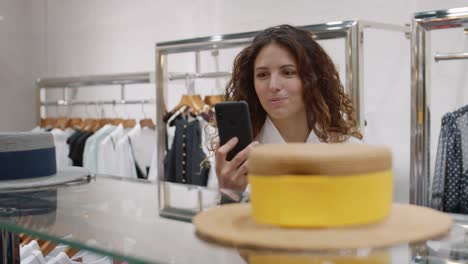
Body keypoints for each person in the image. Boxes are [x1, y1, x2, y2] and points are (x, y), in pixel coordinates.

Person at [210, 24, 362, 192]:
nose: (273, 85)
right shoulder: (235, 158)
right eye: (262, 75)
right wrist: (229, 191)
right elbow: (218, 216)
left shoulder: (351, 152)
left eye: (288, 72)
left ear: (313, 79)